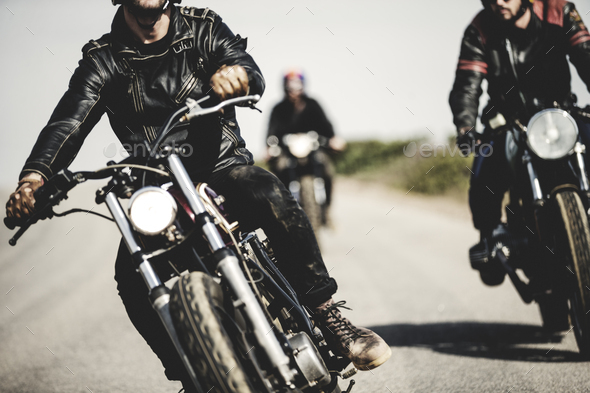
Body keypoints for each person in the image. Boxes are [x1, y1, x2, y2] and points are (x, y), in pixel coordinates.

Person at [4, 1, 390, 391]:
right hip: (156, 187)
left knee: (269, 190)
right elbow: (68, 121)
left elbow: (246, 67)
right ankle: (192, 373)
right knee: (131, 274)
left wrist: (236, 75)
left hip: (221, 169)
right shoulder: (102, 60)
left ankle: (327, 316)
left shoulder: (201, 28)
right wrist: (34, 179)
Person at [449, 0, 590, 283]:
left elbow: (586, 56)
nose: (498, 2)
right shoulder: (480, 28)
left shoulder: (558, 10)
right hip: (509, 120)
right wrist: (466, 127)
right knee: (483, 175)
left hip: (561, 114)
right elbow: (467, 82)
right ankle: (490, 240)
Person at [266, 70, 346, 227]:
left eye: (297, 86)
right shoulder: (278, 109)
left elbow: (327, 127)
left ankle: (327, 209)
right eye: (290, 86)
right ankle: (280, 213)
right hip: (287, 153)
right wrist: (269, 148)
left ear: (303, 86)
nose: (293, 90)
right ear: (284, 87)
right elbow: (271, 133)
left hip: (313, 151)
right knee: (278, 171)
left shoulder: (313, 105)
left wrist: (334, 140)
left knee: (327, 171)